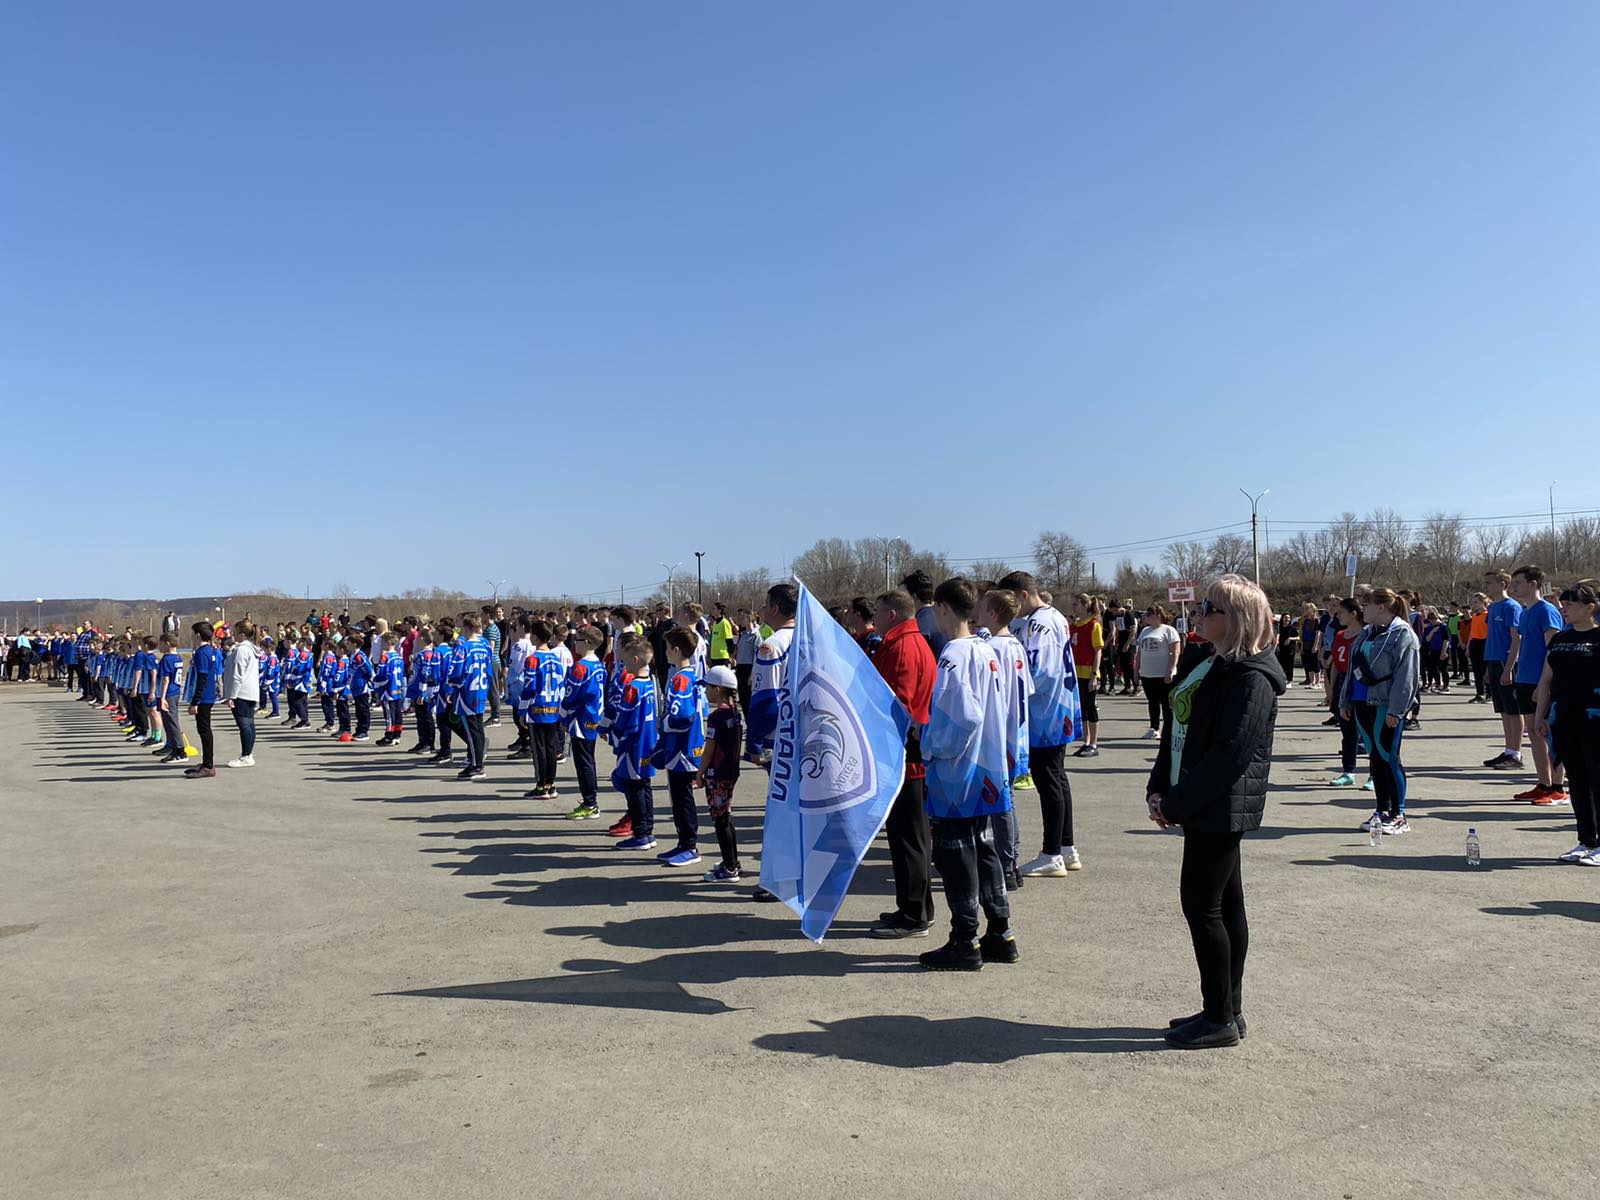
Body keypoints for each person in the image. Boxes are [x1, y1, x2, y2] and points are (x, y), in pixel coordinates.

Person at [1146, 574, 1286, 1049]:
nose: (1201, 613)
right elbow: (1177, 727)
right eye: (1203, 605)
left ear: (1238, 619)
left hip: (1220, 805)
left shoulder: (1252, 677)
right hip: (1198, 798)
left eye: (1212, 608)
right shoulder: (1211, 661)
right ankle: (1224, 1008)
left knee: (1203, 907)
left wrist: (1178, 802)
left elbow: (1231, 754)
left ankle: (1220, 1015)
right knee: (1224, 906)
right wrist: (1158, 786)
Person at [918, 577, 1018, 971]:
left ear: (943, 608)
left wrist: (931, 747)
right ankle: (1000, 932)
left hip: (958, 770)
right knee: (985, 846)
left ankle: (964, 939)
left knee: (956, 852)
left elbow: (962, 715)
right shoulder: (986, 648)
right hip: (988, 765)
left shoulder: (954, 655)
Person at [999, 571, 1082, 878]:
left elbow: (1040, 671)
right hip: (1056, 707)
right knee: (1057, 778)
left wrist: (1011, 691)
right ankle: (1065, 847)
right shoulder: (1055, 617)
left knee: (1048, 780)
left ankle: (1051, 853)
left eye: (1012, 601)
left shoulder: (1038, 623)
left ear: (1022, 595)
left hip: (1044, 712)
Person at [870, 588, 939, 938]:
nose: (874, 617)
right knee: (908, 837)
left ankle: (914, 914)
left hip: (905, 757)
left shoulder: (902, 646)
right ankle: (914, 907)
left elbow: (899, 703)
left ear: (892, 615)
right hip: (906, 755)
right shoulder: (906, 642)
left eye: (877, 611)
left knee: (909, 837)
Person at [1340, 588, 1421, 836]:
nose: (1362, 610)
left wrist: (1398, 709)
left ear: (1381, 608)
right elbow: (1353, 668)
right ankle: (1381, 809)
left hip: (1385, 704)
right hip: (1362, 702)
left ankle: (1399, 813)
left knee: (1389, 757)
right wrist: (1345, 700)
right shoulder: (1366, 634)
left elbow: (1407, 677)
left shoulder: (1403, 635)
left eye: (1367, 606)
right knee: (1375, 758)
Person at [1534, 581, 1600, 864]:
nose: (1564, 609)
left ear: (1590, 608)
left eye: (1570, 604)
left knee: (1598, 780)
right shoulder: (1560, 639)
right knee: (1578, 780)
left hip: (1595, 717)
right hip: (1565, 717)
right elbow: (1547, 679)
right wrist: (1540, 715)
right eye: (1563, 604)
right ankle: (1585, 841)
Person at [978, 587, 1032, 889]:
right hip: (1017, 732)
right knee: (1005, 798)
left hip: (1000, 732)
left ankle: (1007, 864)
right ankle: (1010, 862)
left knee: (1000, 800)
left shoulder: (993, 647)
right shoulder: (1015, 645)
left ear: (993, 614)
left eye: (983, 607)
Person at [1504, 565, 1567, 804]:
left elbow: (1553, 652)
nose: (1514, 587)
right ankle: (1543, 783)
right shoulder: (1526, 611)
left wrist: (1545, 684)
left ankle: (1558, 787)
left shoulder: (1547, 611)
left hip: (1541, 682)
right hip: (1524, 679)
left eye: (1518, 582)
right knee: (1533, 733)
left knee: (1549, 733)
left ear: (1533, 584)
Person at [653, 627, 708, 867]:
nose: (664, 652)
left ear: (676, 650)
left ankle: (690, 846)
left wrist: (662, 723)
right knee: (677, 797)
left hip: (682, 748)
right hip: (684, 746)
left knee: (682, 797)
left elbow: (682, 716)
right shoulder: (689, 675)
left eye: (667, 648)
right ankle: (683, 842)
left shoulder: (681, 678)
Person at [609, 638, 661, 851]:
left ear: (635, 659)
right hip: (649, 742)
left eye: (626, 660)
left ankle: (641, 833)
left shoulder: (632, 688)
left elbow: (625, 720)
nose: (624, 664)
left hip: (633, 745)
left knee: (634, 789)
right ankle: (647, 830)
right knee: (644, 786)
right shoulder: (651, 683)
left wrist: (614, 735)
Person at [696, 665, 746, 882]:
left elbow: (709, 749)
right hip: (731, 771)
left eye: (707, 687)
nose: (705, 691)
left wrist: (700, 772)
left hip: (718, 773)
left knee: (720, 819)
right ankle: (731, 860)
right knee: (726, 816)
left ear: (717, 689)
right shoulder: (736, 714)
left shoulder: (717, 716)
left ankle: (729, 868)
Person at [560, 625, 607, 820]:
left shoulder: (581, 667)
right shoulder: (599, 665)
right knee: (589, 759)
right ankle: (590, 800)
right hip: (594, 716)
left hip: (581, 719)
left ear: (587, 643)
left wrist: (562, 715)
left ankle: (590, 803)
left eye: (577, 640)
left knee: (584, 762)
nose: (574, 644)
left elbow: (571, 695)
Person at [1481, 570, 1525, 769]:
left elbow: (1516, 638)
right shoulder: (1493, 608)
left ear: (1502, 584)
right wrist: (1488, 669)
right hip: (1493, 661)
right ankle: (1508, 750)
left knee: (1514, 710)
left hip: (1506, 662)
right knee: (1504, 711)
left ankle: (1516, 754)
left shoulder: (1511, 606)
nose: (1486, 588)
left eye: (1489, 583)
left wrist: (1508, 668)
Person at [1325, 598, 1368, 789]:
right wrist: (1331, 690)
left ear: (1353, 613)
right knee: (1347, 731)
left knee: (1367, 731)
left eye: (1341, 612)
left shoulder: (1367, 635)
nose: (1337, 615)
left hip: (1362, 683)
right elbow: (1335, 663)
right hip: (1344, 681)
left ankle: (1374, 775)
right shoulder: (1341, 634)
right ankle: (1348, 771)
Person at [453, 615, 495, 781]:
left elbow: (457, 671)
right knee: (478, 728)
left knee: (472, 730)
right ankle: (477, 763)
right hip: (481, 690)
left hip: (467, 692)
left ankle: (477, 765)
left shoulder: (464, 647)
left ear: (467, 628)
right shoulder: (485, 647)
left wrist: (453, 685)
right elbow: (490, 671)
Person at [1134, 605, 1183, 740]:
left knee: (1166, 704)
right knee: (1152, 702)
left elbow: (1175, 652)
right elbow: (1139, 653)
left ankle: (1169, 729)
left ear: (1158, 615)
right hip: (1147, 674)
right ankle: (1154, 728)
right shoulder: (1144, 631)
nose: (1146, 617)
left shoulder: (1169, 630)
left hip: (1163, 674)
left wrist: (1172, 669)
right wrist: (1136, 671)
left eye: (1149, 614)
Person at [1068, 594, 1104, 759]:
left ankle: (1094, 743)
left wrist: (1094, 675)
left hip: (1088, 672)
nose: (1074, 607)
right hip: (1075, 672)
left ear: (1084, 605)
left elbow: (1097, 650)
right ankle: (1086, 740)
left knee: (1091, 707)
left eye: (1076, 604)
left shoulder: (1093, 625)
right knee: (1081, 708)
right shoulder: (1074, 625)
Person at [221, 620, 261, 768]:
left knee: (244, 724)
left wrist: (232, 695)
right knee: (248, 724)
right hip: (249, 691)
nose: (232, 634)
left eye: (235, 632)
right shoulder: (249, 648)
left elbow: (238, 674)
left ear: (242, 634)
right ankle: (247, 753)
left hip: (242, 692)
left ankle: (246, 755)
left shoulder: (242, 650)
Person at [152, 633, 187, 763]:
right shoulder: (178, 657)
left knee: (171, 721)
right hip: (176, 691)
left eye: (160, 644)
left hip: (169, 693)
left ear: (167, 643)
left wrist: (162, 697)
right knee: (168, 721)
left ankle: (180, 750)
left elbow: (166, 679)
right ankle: (172, 747)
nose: (159, 646)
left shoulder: (167, 659)